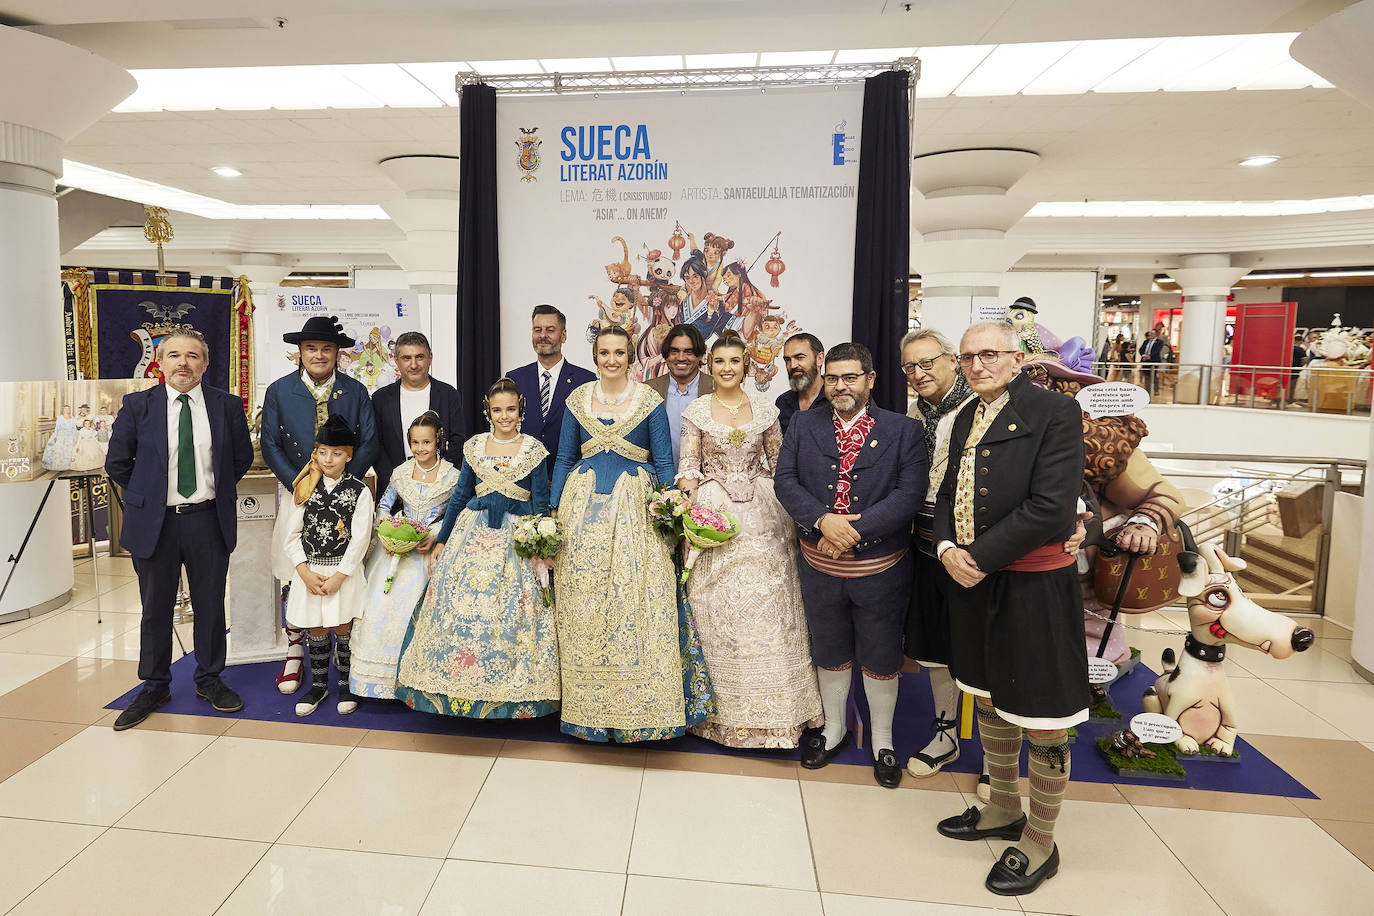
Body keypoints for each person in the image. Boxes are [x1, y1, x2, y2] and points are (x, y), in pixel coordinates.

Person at [933, 321, 1088, 897]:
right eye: (969, 357)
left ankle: (1041, 841)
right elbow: (948, 492)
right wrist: (947, 548)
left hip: (1032, 588)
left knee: (1043, 718)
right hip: (975, 582)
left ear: (1018, 358)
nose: (978, 365)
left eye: (990, 354)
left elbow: (1051, 508)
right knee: (992, 697)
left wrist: (976, 555)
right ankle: (1001, 806)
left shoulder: (1055, 412)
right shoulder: (965, 417)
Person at [550, 324, 713, 742]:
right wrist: (551, 513)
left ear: (631, 356)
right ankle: (587, 711)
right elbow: (566, 457)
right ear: (595, 356)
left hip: (637, 514)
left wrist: (671, 511)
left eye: (619, 352)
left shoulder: (649, 399)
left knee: (638, 602)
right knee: (584, 606)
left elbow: (663, 459)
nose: (611, 360)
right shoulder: (575, 401)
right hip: (581, 515)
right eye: (604, 353)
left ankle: (643, 710)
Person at [774, 342, 926, 788]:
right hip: (819, 565)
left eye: (850, 377)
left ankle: (883, 740)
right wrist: (823, 520)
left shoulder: (903, 430)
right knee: (830, 649)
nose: (840, 386)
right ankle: (834, 730)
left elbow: (909, 494)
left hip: (880, 568)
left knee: (881, 655)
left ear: (870, 380)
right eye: (834, 377)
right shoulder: (803, 424)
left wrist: (853, 532)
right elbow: (786, 480)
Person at [677, 331, 822, 748]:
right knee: (719, 609)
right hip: (714, 508)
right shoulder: (698, 410)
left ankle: (780, 714)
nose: (726, 368)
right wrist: (689, 506)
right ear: (710, 366)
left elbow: (779, 464)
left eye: (734, 362)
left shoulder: (764, 410)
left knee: (773, 606)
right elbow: (689, 464)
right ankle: (719, 714)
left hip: (764, 512)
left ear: (746, 366)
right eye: (719, 361)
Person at [106, 330, 254, 730]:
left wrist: (210, 493)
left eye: (192, 356)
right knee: (155, 608)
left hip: (207, 519)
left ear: (205, 363)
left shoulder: (226, 406)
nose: (183, 363)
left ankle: (209, 679)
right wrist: (150, 494)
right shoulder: (138, 406)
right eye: (174, 355)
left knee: (209, 604)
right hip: (156, 522)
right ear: (160, 361)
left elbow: (240, 458)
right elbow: (117, 463)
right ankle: (155, 684)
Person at [395, 379, 560, 719]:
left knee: (513, 611)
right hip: (472, 534)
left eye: (511, 410)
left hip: (517, 538)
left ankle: (512, 696)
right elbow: (459, 496)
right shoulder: (473, 447)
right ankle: (454, 688)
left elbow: (541, 502)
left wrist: (543, 544)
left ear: (521, 410)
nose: (504, 416)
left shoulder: (533, 449)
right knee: (460, 607)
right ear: (488, 410)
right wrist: (442, 540)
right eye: (497, 409)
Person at [261, 314, 379, 696]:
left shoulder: (355, 391)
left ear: (337, 353)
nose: (319, 355)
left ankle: (344, 659)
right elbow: (271, 445)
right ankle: (297, 646)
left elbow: (369, 442)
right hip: (297, 490)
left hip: (345, 491)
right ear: (299, 352)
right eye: (311, 348)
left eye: (327, 348)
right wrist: (302, 485)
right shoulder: (279, 391)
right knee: (295, 568)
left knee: (343, 565)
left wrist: (341, 483)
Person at [899, 328, 976, 778]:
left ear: (952, 360)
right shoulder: (914, 413)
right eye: (910, 366)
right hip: (924, 541)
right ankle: (946, 733)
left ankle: (996, 753)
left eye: (928, 363)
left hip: (974, 544)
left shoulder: (980, 407)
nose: (919, 373)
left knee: (984, 644)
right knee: (935, 644)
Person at [349, 412, 460, 700]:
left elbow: (456, 513)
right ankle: (379, 679)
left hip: (428, 552)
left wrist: (432, 533)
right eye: (415, 442)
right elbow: (384, 506)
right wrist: (391, 531)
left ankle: (422, 680)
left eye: (426, 442)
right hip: (396, 551)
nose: (421, 448)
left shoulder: (452, 475)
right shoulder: (400, 472)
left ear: (438, 442)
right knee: (380, 605)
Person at [272, 415, 376, 717]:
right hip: (311, 573)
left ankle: (346, 682)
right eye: (322, 452)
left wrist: (340, 576)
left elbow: (360, 538)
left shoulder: (359, 490)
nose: (328, 459)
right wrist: (303, 571)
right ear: (315, 452)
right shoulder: (305, 488)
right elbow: (291, 536)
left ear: (349, 455)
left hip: (343, 573)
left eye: (337, 453)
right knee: (316, 626)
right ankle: (319, 684)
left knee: (342, 624)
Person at [371, 331, 465, 497]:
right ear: (396, 360)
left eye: (419, 357)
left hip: (440, 492)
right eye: (407, 358)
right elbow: (377, 446)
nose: (413, 365)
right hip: (393, 494)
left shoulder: (449, 394)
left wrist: (438, 481)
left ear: (430, 358)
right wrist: (397, 485)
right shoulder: (380, 399)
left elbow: (458, 441)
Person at [508, 305, 596, 474]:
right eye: (537, 330)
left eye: (550, 330)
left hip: (570, 479)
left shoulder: (586, 381)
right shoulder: (514, 379)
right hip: (525, 482)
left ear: (563, 335)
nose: (542, 336)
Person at [647, 323, 715, 463]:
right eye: (674, 351)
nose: (681, 357)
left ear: (700, 356)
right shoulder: (648, 391)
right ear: (666, 355)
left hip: (705, 481)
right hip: (658, 482)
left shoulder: (716, 389)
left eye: (689, 352)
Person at [775, 332, 828, 436]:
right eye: (787, 360)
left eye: (800, 357)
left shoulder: (835, 400)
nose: (793, 365)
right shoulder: (782, 402)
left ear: (819, 359)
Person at [42, 405, 79, 472]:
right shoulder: (60, 418)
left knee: (69, 450)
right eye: (65, 409)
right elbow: (57, 427)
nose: (67, 410)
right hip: (61, 435)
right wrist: (55, 436)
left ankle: (69, 465)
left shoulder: (72, 417)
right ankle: (59, 465)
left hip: (70, 436)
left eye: (68, 409)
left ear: (69, 410)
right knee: (59, 450)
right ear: (63, 410)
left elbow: (74, 428)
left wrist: (76, 436)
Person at [1139, 329, 1165, 395]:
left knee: (1154, 375)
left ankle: (1156, 390)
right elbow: (1141, 350)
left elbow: (1157, 351)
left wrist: (1149, 356)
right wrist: (1143, 355)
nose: (1150, 334)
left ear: (1156, 334)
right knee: (1146, 376)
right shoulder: (1146, 341)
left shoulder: (1160, 342)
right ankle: (1147, 390)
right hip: (1145, 361)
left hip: (1154, 360)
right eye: (1150, 333)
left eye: (1152, 333)